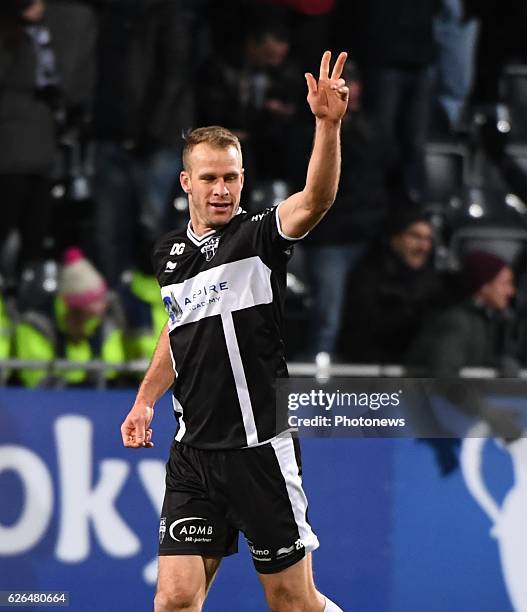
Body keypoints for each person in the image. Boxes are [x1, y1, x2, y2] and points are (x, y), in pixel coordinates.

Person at [120, 50, 348, 612]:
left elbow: (316, 200)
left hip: (259, 451)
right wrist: (146, 399)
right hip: (194, 453)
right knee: (173, 600)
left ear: (242, 179)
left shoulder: (260, 238)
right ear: (186, 182)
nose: (221, 189)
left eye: (231, 177)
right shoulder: (168, 255)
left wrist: (327, 125)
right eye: (210, 178)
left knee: (293, 603)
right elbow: (179, 330)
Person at [339, 208, 444, 364]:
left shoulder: (435, 283)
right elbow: (363, 329)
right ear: (394, 239)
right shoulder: (367, 276)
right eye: (415, 236)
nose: (423, 247)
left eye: (428, 239)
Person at [406, 250, 519, 377]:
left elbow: (474, 362)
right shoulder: (457, 321)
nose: (511, 291)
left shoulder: (484, 319)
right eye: (505, 283)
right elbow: (443, 377)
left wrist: (499, 363)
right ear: (484, 285)